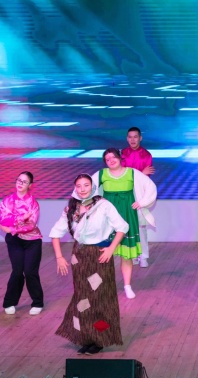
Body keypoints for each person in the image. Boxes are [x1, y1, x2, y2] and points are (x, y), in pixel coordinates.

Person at [49, 174, 128, 355]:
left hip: (99, 256)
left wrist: (111, 249)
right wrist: (59, 257)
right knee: (82, 298)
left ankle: (100, 338)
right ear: (75, 188)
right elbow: (55, 233)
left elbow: (122, 227)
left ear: (92, 187)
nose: (83, 189)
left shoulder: (104, 205)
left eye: (86, 185)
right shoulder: (71, 209)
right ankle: (86, 336)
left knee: (99, 298)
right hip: (79, 257)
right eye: (79, 186)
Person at [91, 148, 154, 298]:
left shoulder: (132, 173)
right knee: (104, 252)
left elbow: (150, 186)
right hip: (108, 216)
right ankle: (102, 286)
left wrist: (142, 202)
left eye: (113, 157)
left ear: (120, 158)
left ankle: (127, 286)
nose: (111, 160)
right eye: (107, 159)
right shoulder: (101, 174)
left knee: (126, 255)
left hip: (127, 214)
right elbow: (86, 188)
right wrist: (93, 204)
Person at [0, 172, 44, 316]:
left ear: (30, 185)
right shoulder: (7, 201)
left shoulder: (33, 203)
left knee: (30, 272)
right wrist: (21, 217)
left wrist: (12, 227)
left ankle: (37, 302)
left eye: (24, 182)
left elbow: (31, 224)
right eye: (19, 180)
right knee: (17, 272)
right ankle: (9, 302)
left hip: (32, 241)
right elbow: (3, 220)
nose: (20, 183)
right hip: (15, 241)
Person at [120, 127, 156, 268]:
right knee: (128, 226)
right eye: (130, 137)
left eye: (135, 137)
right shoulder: (122, 154)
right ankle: (132, 255)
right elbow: (122, 175)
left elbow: (145, 180)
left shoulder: (146, 155)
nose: (133, 139)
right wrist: (141, 172)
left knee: (141, 226)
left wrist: (141, 174)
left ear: (140, 138)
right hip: (125, 194)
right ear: (127, 138)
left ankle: (144, 256)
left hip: (140, 196)